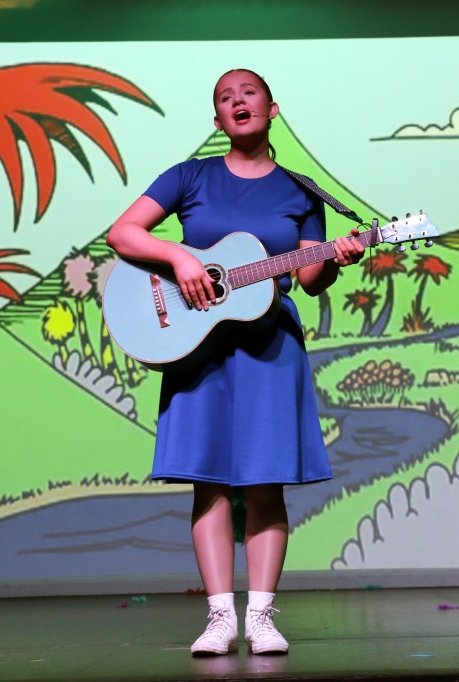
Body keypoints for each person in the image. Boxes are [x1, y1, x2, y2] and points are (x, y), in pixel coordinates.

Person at [105, 68, 365, 656]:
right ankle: (220, 618)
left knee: (266, 482)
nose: (237, 101)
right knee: (209, 484)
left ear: (272, 109)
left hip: (271, 347)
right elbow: (124, 234)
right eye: (226, 97)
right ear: (218, 118)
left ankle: (262, 618)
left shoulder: (301, 191)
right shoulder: (190, 176)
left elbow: (310, 277)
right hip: (198, 347)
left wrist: (337, 258)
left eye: (248, 93)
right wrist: (180, 258)